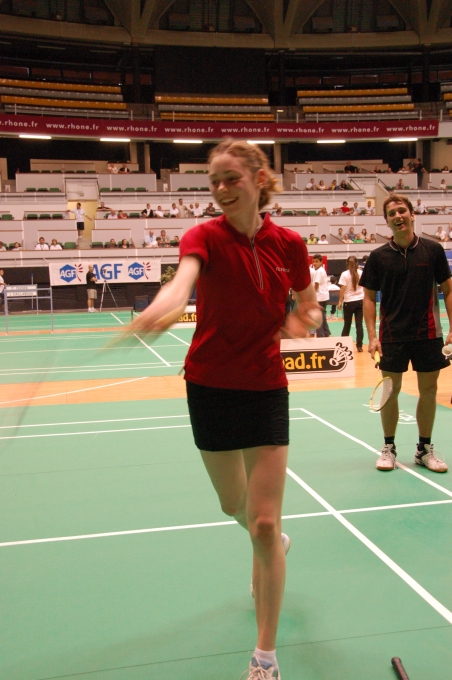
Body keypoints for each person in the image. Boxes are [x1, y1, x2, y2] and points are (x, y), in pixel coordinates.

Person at [125, 139, 320, 680]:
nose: (221, 188)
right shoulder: (203, 236)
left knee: (263, 522)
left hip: (265, 387)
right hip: (209, 385)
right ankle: (270, 542)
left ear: (260, 179)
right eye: (214, 180)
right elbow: (181, 284)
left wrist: (300, 320)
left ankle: (264, 658)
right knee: (233, 505)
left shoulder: (289, 244)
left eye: (232, 177)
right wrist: (160, 309)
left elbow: (309, 302)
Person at [361, 193, 452, 473]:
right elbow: (368, 298)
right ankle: (388, 448)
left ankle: (424, 449)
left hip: (428, 333)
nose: (398, 216)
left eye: (402, 211)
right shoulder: (378, 256)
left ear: (412, 215)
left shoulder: (433, 250)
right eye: (392, 214)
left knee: (429, 390)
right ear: (387, 221)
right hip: (391, 336)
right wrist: (372, 336)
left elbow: (448, 290)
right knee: (390, 392)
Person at [338, 255, 364, 352]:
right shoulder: (361, 273)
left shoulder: (344, 274)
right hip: (360, 301)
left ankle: (342, 345)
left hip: (348, 302)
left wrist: (340, 301)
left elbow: (343, 288)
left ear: (347, 263)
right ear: (357, 263)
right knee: (359, 324)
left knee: (347, 324)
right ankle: (359, 346)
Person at [311, 253, 331, 337]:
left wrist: (311, 294)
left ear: (321, 262)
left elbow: (316, 284)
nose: (314, 263)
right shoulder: (322, 270)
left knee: (318, 318)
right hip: (324, 296)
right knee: (322, 316)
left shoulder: (319, 271)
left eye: (316, 262)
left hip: (319, 297)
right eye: (313, 262)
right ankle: (326, 333)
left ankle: (321, 336)